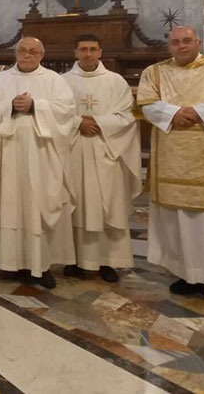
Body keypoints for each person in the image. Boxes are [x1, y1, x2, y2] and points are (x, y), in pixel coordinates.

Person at [137, 26, 204, 306]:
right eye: (175, 42)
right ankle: (187, 276)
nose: (181, 46)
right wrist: (174, 113)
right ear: (168, 46)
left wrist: (196, 112)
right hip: (173, 159)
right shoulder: (154, 72)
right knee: (178, 218)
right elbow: (146, 103)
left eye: (187, 41)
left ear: (198, 42)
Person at [0, 36, 77, 289]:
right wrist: (9, 107)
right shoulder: (0, 81)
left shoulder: (55, 81)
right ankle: (9, 264)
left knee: (38, 206)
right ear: (15, 54)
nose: (27, 55)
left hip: (42, 156)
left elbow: (67, 112)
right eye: (22, 51)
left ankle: (40, 266)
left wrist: (36, 106)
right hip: (8, 155)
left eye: (33, 51)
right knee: (10, 204)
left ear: (41, 55)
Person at [62, 34, 142, 282]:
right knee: (76, 203)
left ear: (100, 52)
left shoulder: (115, 82)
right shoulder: (62, 82)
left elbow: (128, 116)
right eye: (83, 49)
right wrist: (78, 124)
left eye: (92, 49)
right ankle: (73, 259)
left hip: (106, 150)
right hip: (74, 150)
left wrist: (98, 123)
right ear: (75, 52)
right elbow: (56, 114)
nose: (87, 54)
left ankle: (109, 261)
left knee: (109, 205)